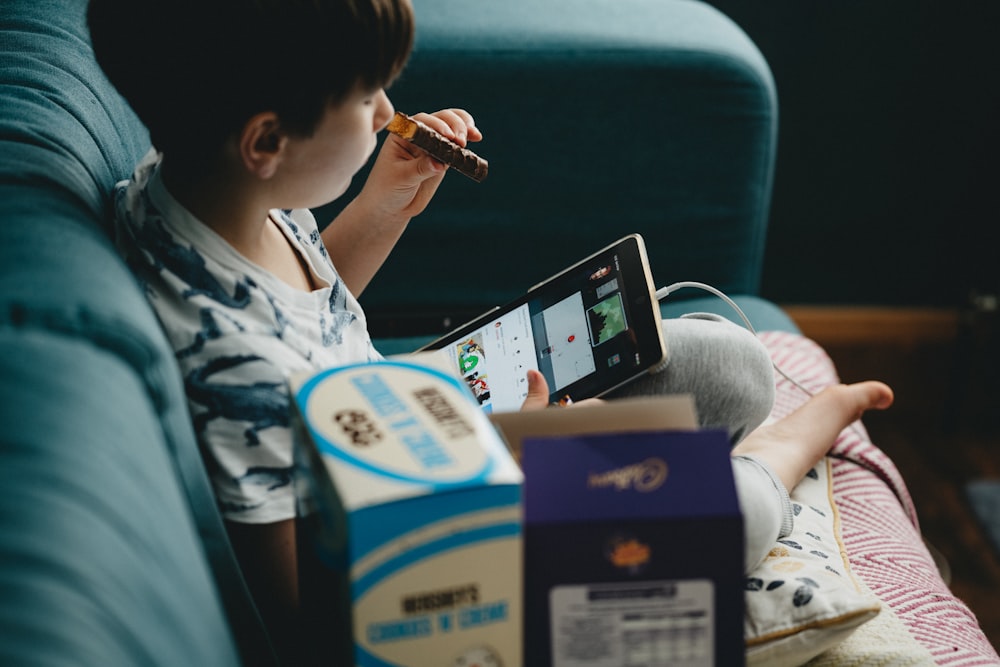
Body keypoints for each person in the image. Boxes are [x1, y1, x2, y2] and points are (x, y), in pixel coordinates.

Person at [88, 0, 893, 662]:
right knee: (732, 515)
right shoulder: (232, 373)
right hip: (436, 540)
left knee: (726, 366)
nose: (388, 115)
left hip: (407, 413)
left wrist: (380, 205)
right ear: (266, 141)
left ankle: (745, 437)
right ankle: (782, 457)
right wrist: (507, 476)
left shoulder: (196, 191)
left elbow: (308, 312)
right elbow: (320, 617)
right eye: (369, 98)